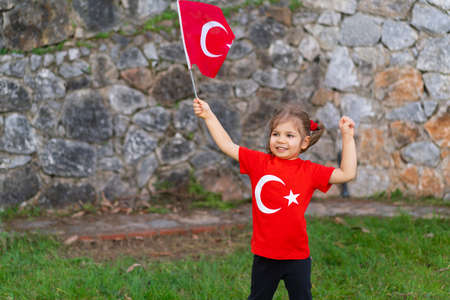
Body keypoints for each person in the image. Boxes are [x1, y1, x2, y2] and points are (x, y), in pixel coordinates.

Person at [193, 98, 357, 300]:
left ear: (304, 142)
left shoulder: (310, 171)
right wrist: (208, 115)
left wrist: (347, 137)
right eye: (276, 134)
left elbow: (346, 173)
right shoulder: (259, 163)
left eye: (289, 135)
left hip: (297, 257)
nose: (281, 140)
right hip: (265, 256)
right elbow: (228, 145)